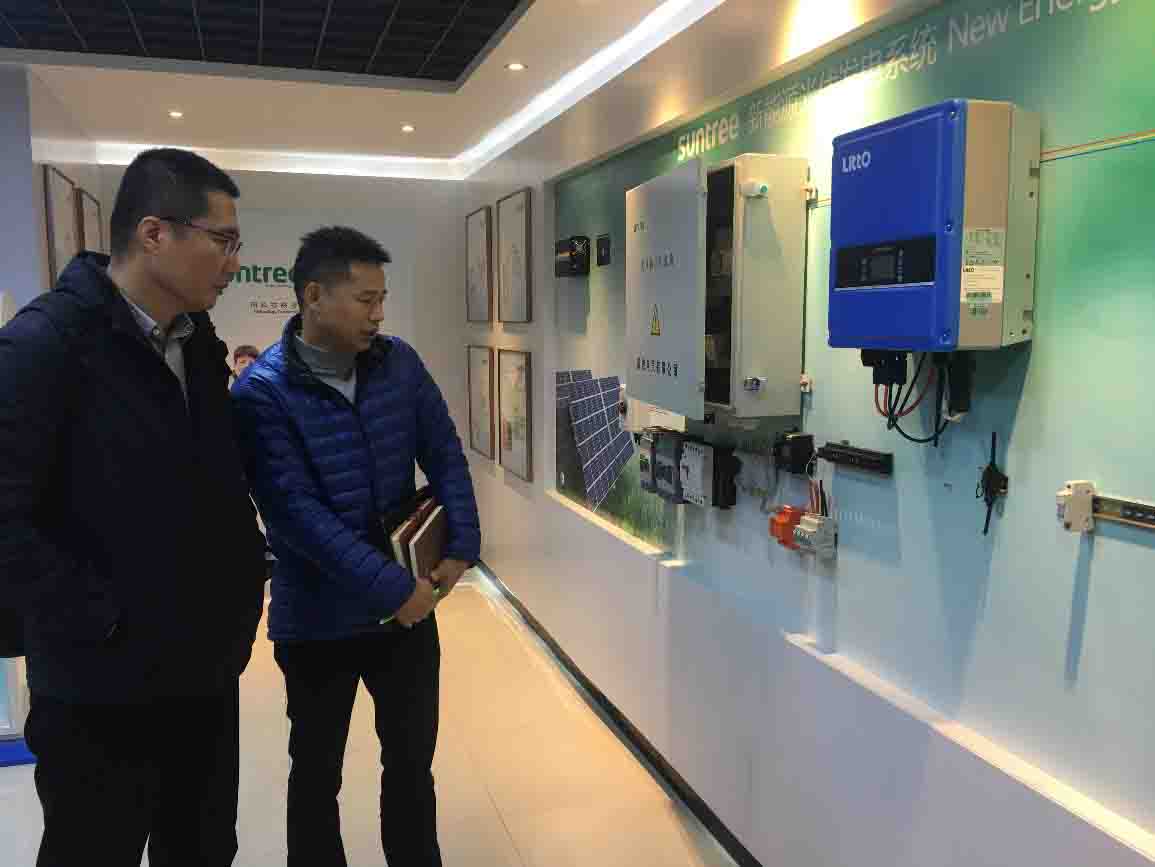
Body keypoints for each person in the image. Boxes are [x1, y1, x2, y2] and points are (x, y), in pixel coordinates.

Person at [0, 148, 268, 867]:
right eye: (223, 240)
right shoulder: (45, 344)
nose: (234, 262)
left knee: (204, 849)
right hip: (97, 692)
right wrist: (104, 619)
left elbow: (215, 486)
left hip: (203, 677)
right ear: (154, 234)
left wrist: (241, 594)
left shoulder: (198, 342)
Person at [231, 226, 481, 867]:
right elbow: (295, 516)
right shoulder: (262, 393)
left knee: (411, 764)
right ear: (314, 295)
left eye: (382, 299)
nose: (378, 315)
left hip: (405, 619)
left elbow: (444, 452)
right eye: (365, 299)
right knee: (317, 772)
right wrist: (396, 590)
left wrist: (461, 545)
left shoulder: (399, 364)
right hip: (318, 622)